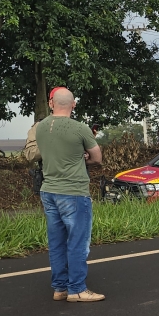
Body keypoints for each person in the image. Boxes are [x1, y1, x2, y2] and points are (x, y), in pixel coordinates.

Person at [33, 88, 104, 303]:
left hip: (49, 190)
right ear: (73, 105)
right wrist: (82, 159)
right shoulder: (80, 128)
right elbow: (97, 158)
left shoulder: (41, 127)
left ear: (51, 103)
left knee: (57, 242)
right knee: (77, 242)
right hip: (73, 191)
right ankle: (77, 289)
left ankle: (60, 288)